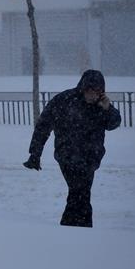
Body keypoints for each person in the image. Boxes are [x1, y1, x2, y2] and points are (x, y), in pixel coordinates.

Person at [23, 69, 121, 227]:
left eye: (97, 92)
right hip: (68, 156)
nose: (93, 95)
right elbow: (43, 126)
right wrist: (35, 154)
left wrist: (108, 109)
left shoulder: (102, 106)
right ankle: (79, 231)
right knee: (80, 193)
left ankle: (72, 231)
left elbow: (113, 124)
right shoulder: (64, 101)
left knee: (80, 195)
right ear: (83, 88)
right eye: (90, 90)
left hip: (91, 159)